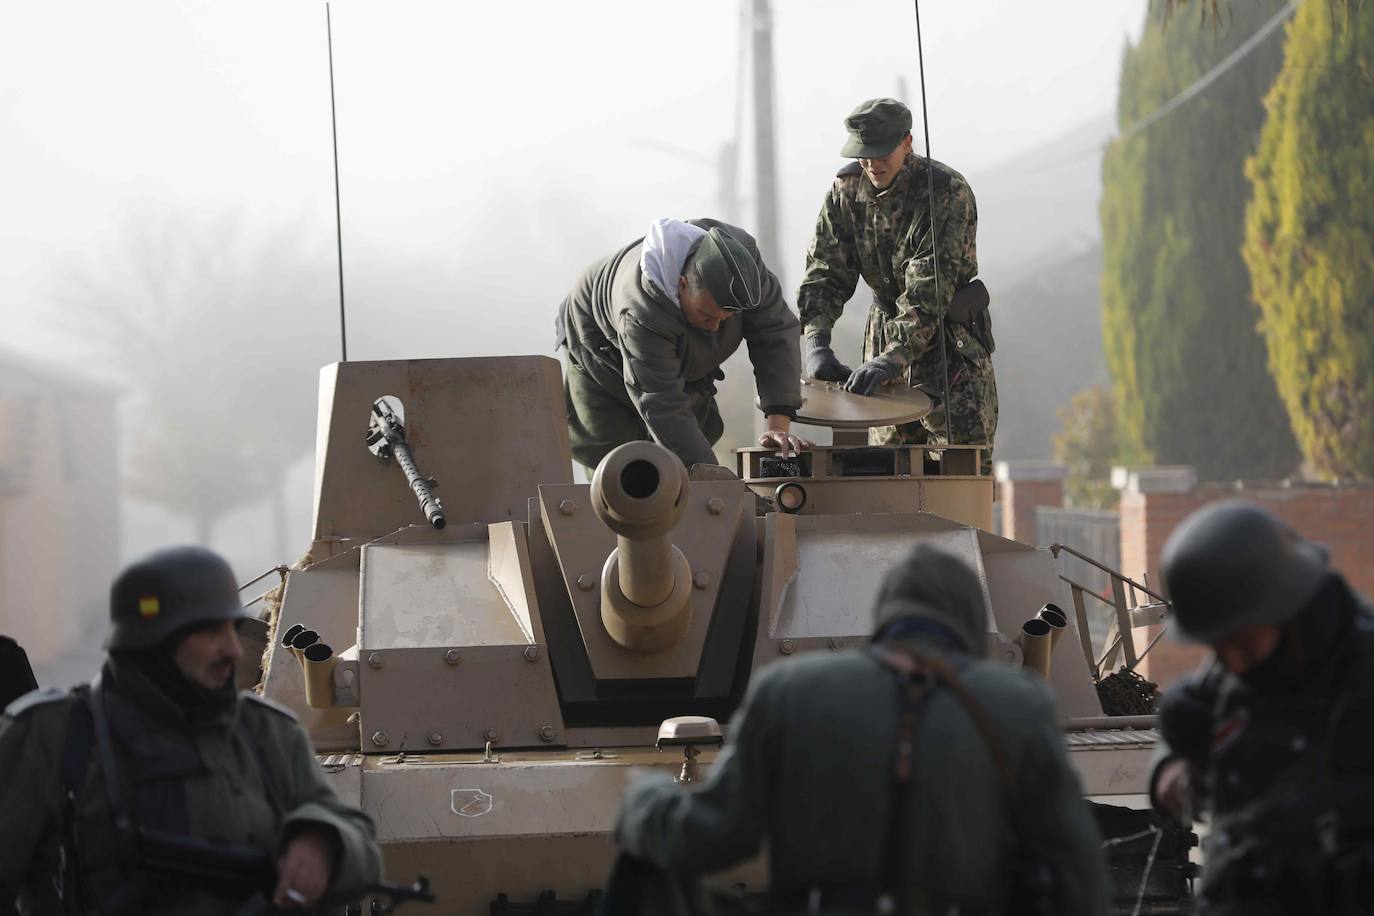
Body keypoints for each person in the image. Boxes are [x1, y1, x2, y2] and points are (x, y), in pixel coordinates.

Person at [613, 543, 1109, 915]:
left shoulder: (788, 690)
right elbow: (1078, 873)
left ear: (885, 615)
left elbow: (714, 835)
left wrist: (646, 801)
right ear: (971, 621)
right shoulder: (1018, 705)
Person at [0, 546, 382, 915]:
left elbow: (357, 843)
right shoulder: (52, 735)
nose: (233, 649)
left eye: (232, 630)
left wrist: (322, 841)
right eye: (210, 632)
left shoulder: (266, 732)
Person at [1150, 501, 1374, 915]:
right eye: (1220, 648)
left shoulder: (1360, 673)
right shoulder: (1250, 663)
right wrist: (1171, 765)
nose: (1232, 664)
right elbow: (1191, 719)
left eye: (1242, 644)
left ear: (1287, 608)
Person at [797, 97, 997, 473]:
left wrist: (893, 358)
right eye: (864, 155)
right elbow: (825, 270)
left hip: (948, 348)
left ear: (907, 142)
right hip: (883, 341)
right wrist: (816, 342)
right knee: (886, 471)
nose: (872, 164)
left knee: (962, 471)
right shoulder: (847, 190)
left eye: (881, 153)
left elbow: (928, 290)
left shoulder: (944, 193)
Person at [555, 217, 807, 472]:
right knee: (625, 466)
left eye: (725, 318)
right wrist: (717, 486)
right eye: (708, 316)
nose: (714, 328)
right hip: (597, 344)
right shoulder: (640, 312)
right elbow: (661, 402)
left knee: (695, 437)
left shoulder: (742, 268)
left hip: (674, 341)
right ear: (682, 285)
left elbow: (775, 332)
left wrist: (777, 425)